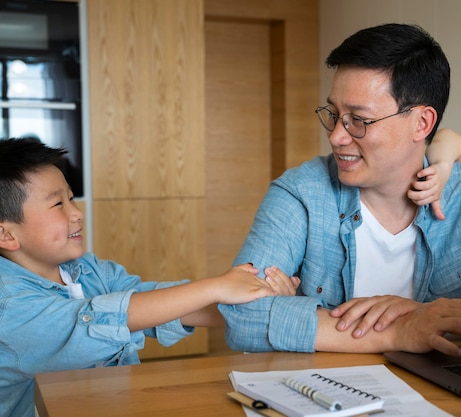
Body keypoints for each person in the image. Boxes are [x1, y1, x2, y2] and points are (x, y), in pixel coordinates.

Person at [218, 23, 461, 357]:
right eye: (334, 114)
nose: (336, 137)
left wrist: (429, 315)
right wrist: (400, 330)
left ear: (422, 123)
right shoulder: (301, 192)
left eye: (358, 119)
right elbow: (240, 315)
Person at [0, 138, 297, 417]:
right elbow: (102, 317)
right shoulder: (8, 304)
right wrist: (217, 286)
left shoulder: (89, 270)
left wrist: (258, 298)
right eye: (57, 204)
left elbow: (155, 305)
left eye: (71, 198)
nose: (77, 213)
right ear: (6, 234)